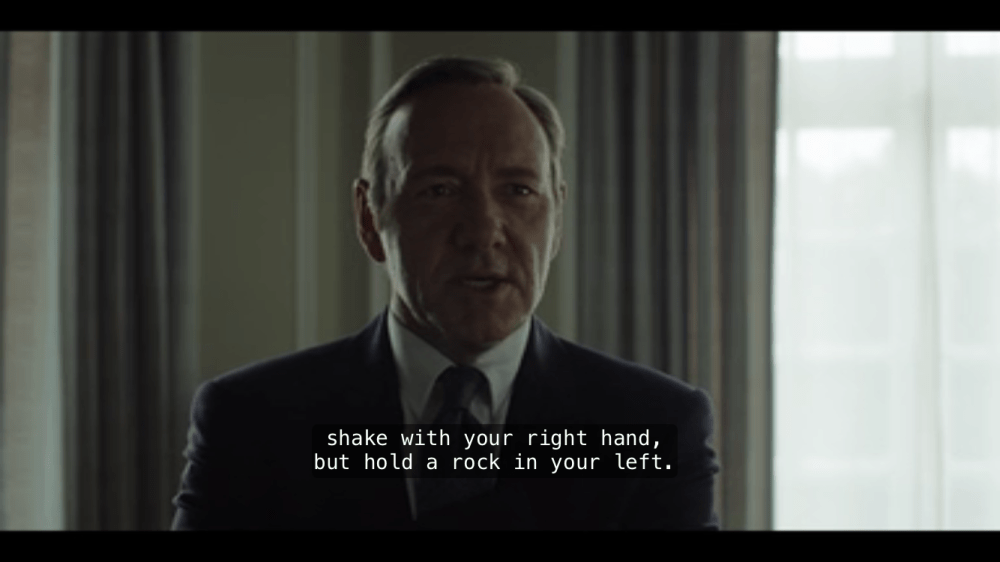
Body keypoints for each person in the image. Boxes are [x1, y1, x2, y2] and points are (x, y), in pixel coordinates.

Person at [171, 55, 720, 530]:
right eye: (440, 190)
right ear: (369, 218)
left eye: (518, 190)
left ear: (557, 221)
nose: (482, 231)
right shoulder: (252, 423)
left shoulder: (656, 424)